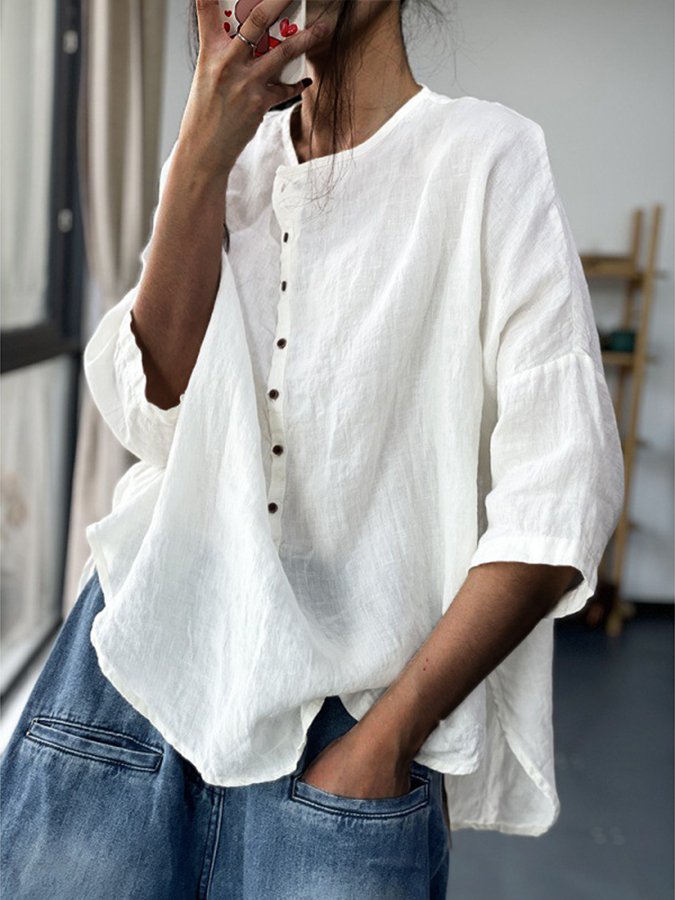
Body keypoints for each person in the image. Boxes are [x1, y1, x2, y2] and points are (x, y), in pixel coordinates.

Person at [0, 1, 625, 897]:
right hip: (135, 679)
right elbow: (153, 412)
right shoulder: (223, 159)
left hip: (354, 724)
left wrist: (387, 739)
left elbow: (559, 496)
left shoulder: (486, 157)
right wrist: (200, 149)